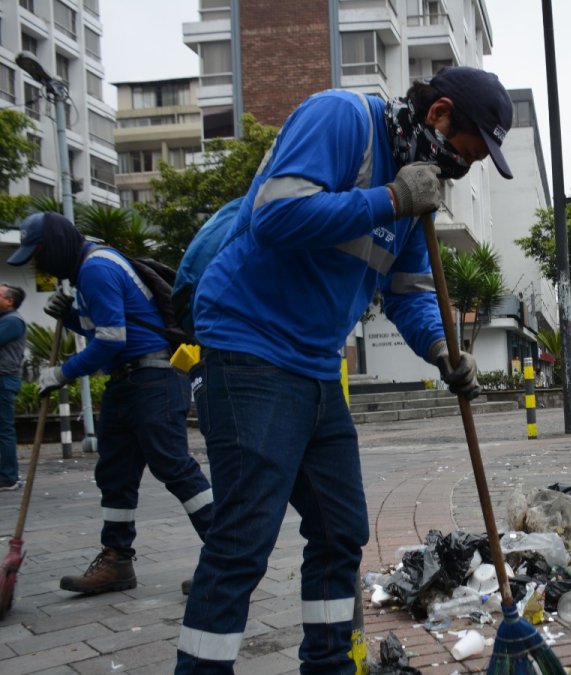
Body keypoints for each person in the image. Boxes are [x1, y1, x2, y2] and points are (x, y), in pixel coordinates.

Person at [176, 66, 505, 674]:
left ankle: (328, 667)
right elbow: (275, 216)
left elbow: (407, 290)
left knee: (339, 530)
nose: (461, 171)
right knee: (243, 542)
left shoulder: (415, 190)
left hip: (316, 366)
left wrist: (443, 351)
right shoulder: (341, 120)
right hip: (249, 348)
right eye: (464, 155)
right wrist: (389, 198)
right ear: (439, 116)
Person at [6, 211, 212, 593]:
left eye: (38, 255)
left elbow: (111, 340)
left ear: (55, 246)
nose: (38, 264)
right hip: (127, 381)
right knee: (114, 473)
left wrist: (62, 373)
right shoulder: (89, 268)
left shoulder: (96, 269)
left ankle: (225, 556)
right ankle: (117, 560)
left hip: (153, 379)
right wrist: (70, 318)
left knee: (173, 466)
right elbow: (109, 327)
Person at [0, 284, 26, 492]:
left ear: (10, 301)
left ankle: (8, 477)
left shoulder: (12, 321)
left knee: (4, 430)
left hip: (3, 380)